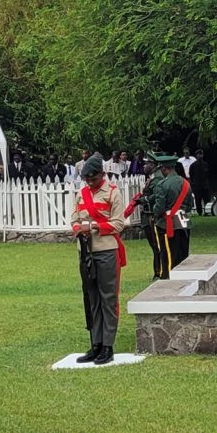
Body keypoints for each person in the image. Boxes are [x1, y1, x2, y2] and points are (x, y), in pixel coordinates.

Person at [70, 154, 126, 366]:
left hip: (106, 250)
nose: (90, 183)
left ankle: (108, 346)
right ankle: (95, 343)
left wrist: (93, 227)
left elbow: (118, 224)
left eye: (93, 179)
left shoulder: (112, 192)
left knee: (108, 298)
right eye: (87, 180)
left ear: (102, 174)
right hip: (86, 251)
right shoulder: (82, 193)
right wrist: (78, 229)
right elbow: (74, 218)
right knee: (91, 296)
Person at [147, 154, 193, 276]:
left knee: (167, 252)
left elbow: (159, 207)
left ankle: (168, 276)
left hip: (167, 224)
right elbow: (189, 205)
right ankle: (183, 275)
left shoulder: (162, 185)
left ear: (164, 169)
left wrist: (155, 213)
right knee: (183, 253)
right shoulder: (185, 183)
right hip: (184, 222)